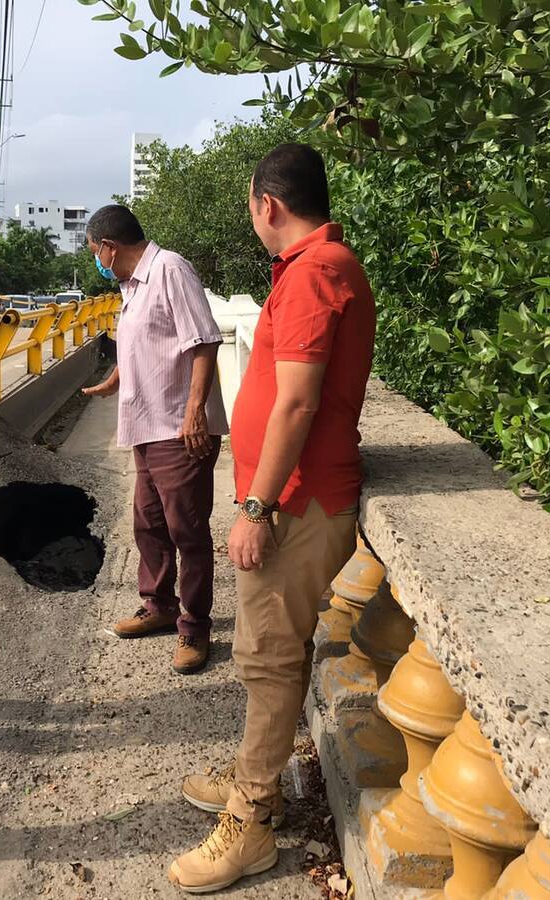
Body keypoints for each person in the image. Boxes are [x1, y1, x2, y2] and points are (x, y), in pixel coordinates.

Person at [168, 144, 376, 893]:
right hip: (294, 497)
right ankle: (254, 775)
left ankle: (252, 821)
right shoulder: (313, 268)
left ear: (267, 205)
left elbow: (297, 401)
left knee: (267, 657)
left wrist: (258, 504)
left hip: (297, 504)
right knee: (267, 658)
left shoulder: (317, 273)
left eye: (250, 208)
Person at [81, 205, 227, 675]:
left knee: (187, 531)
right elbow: (146, 342)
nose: (96, 262)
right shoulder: (132, 286)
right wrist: (115, 379)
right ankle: (159, 605)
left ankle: (194, 625)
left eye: (94, 253)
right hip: (146, 426)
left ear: (108, 246)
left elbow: (202, 342)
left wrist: (194, 412)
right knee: (149, 524)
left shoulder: (170, 270)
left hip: (177, 428)